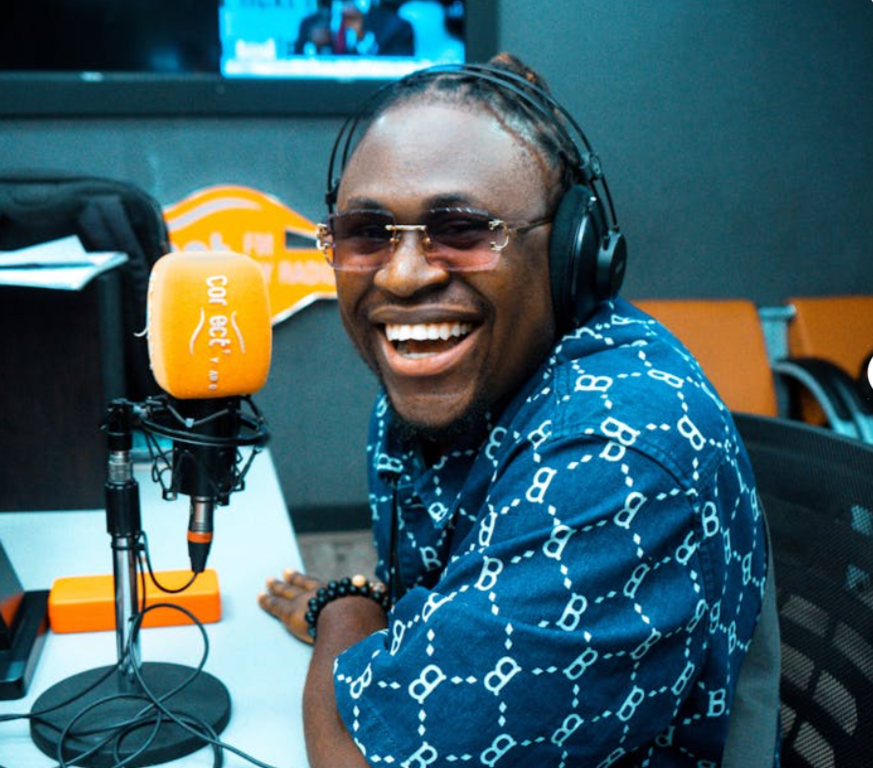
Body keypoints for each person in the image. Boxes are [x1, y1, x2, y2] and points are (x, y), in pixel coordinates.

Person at [259, 53, 778, 767]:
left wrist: (345, 609)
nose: (404, 274)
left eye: (464, 231)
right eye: (365, 234)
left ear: (574, 253)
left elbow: (363, 756)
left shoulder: (612, 458)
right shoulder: (447, 392)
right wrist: (370, 629)